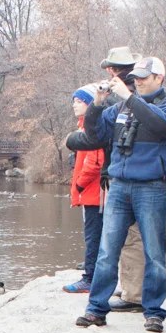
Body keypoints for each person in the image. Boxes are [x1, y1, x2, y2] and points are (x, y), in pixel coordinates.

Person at [78, 58, 166, 332]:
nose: (137, 82)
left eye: (144, 77)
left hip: (152, 187)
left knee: (154, 252)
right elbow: (96, 134)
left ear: (159, 78)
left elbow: (162, 127)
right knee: (107, 250)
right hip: (120, 185)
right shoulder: (122, 106)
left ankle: (153, 311)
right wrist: (98, 104)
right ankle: (96, 309)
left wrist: (130, 98)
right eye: (135, 77)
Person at [62, 88, 108, 293]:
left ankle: (90, 278)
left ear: (90, 104)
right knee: (96, 235)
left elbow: (95, 161)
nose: (74, 104)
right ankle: (94, 273)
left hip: (95, 193)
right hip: (93, 193)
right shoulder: (85, 126)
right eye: (74, 101)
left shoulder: (92, 128)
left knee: (93, 235)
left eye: (79, 101)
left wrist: (79, 185)